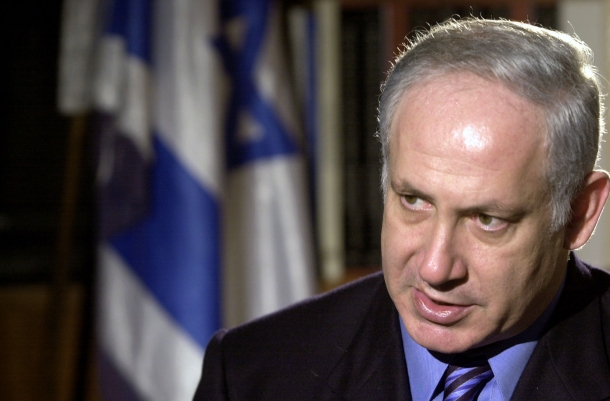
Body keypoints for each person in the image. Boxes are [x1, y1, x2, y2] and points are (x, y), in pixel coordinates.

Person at [194, 18, 610, 400]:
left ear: (579, 213)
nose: (435, 269)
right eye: (414, 201)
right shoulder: (251, 375)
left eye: (487, 220)